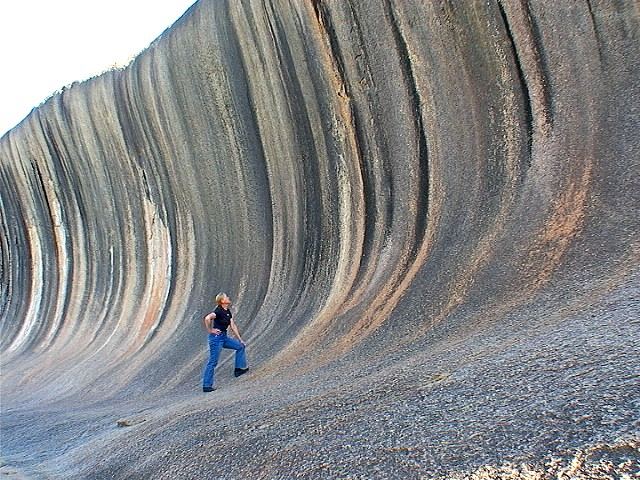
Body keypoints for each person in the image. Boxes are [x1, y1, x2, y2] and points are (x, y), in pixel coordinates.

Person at [202, 293, 249, 392]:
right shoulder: (218, 311)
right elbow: (207, 318)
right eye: (226, 297)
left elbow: (233, 326)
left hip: (224, 337)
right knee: (213, 362)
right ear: (222, 301)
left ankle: (238, 369)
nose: (228, 298)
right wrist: (210, 330)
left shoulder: (227, 311)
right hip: (216, 338)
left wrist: (240, 339)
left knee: (240, 346)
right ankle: (206, 385)